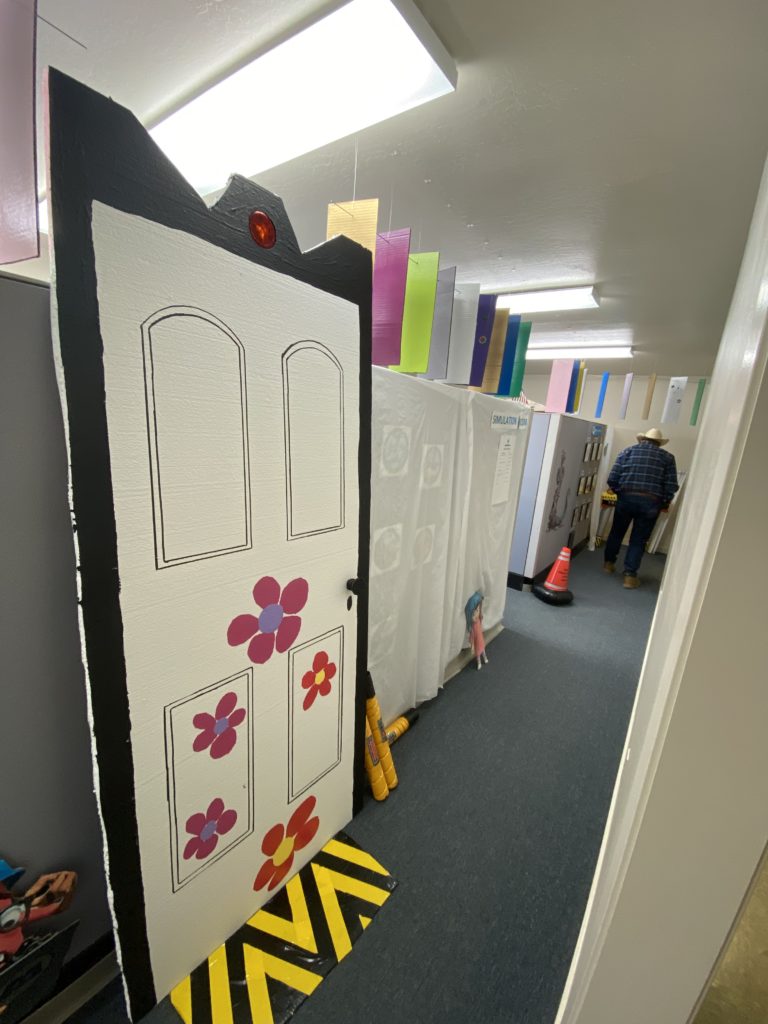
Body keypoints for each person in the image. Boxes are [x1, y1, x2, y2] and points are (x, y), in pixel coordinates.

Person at [603, 428, 679, 588]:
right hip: (651, 503)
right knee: (639, 539)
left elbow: (612, 478)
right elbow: (671, 486)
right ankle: (630, 576)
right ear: (659, 443)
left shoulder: (627, 451)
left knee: (616, 532)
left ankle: (608, 564)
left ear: (642, 439)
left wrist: (619, 492)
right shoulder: (668, 458)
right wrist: (665, 501)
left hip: (626, 498)